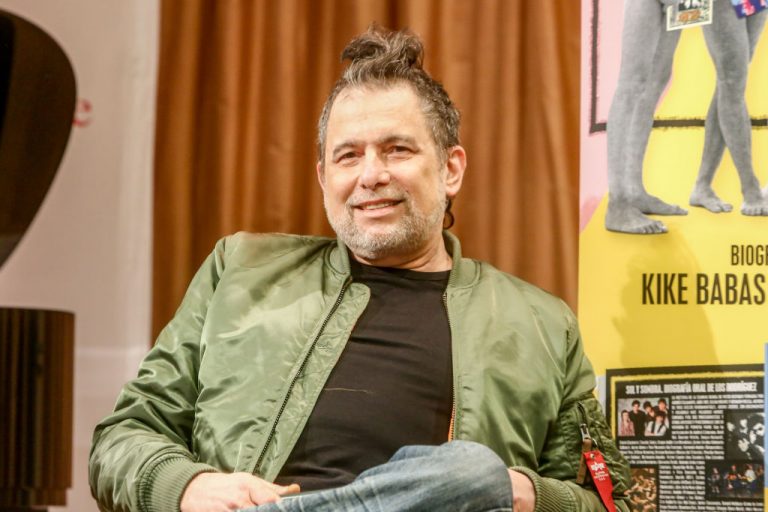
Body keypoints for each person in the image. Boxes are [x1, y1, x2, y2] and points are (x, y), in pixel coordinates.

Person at [89, 26, 631, 512]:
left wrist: (522, 492)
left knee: (470, 472)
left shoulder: (541, 324)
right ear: (323, 177)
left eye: (396, 150)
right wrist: (189, 485)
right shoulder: (239, 270)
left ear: (451, 169)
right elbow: (123, 438)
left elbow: (611, 501)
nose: (371, 175)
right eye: (348, 156)